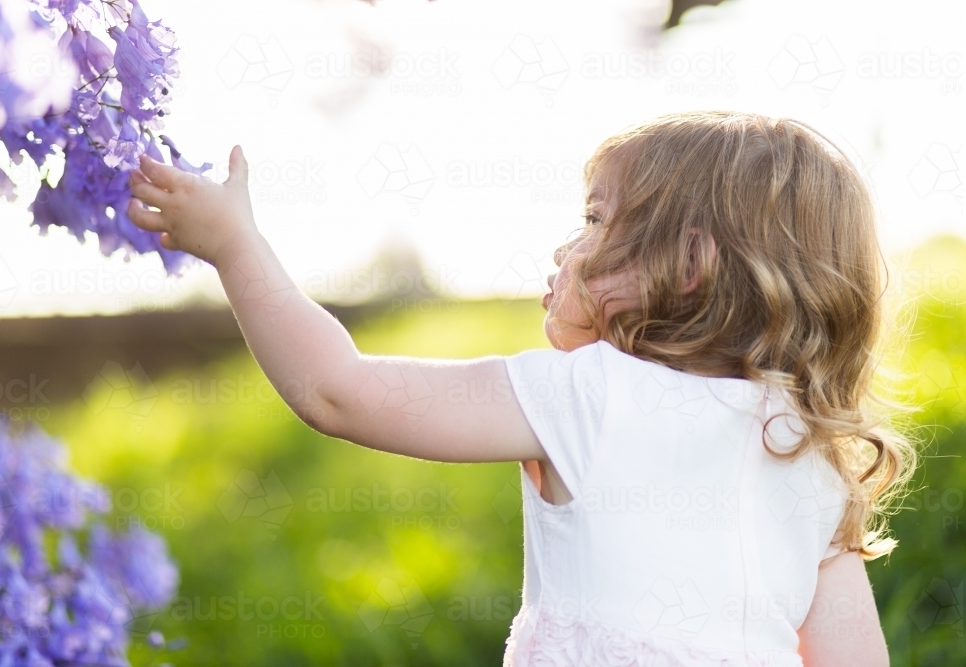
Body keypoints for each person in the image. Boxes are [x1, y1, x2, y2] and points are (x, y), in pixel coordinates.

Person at [127, 110, 914, 666]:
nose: (567, 243)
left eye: (597, 219)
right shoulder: (813, 455)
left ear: (689, 264)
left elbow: (339, 390)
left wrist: (236, 246)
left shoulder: (591, 394)